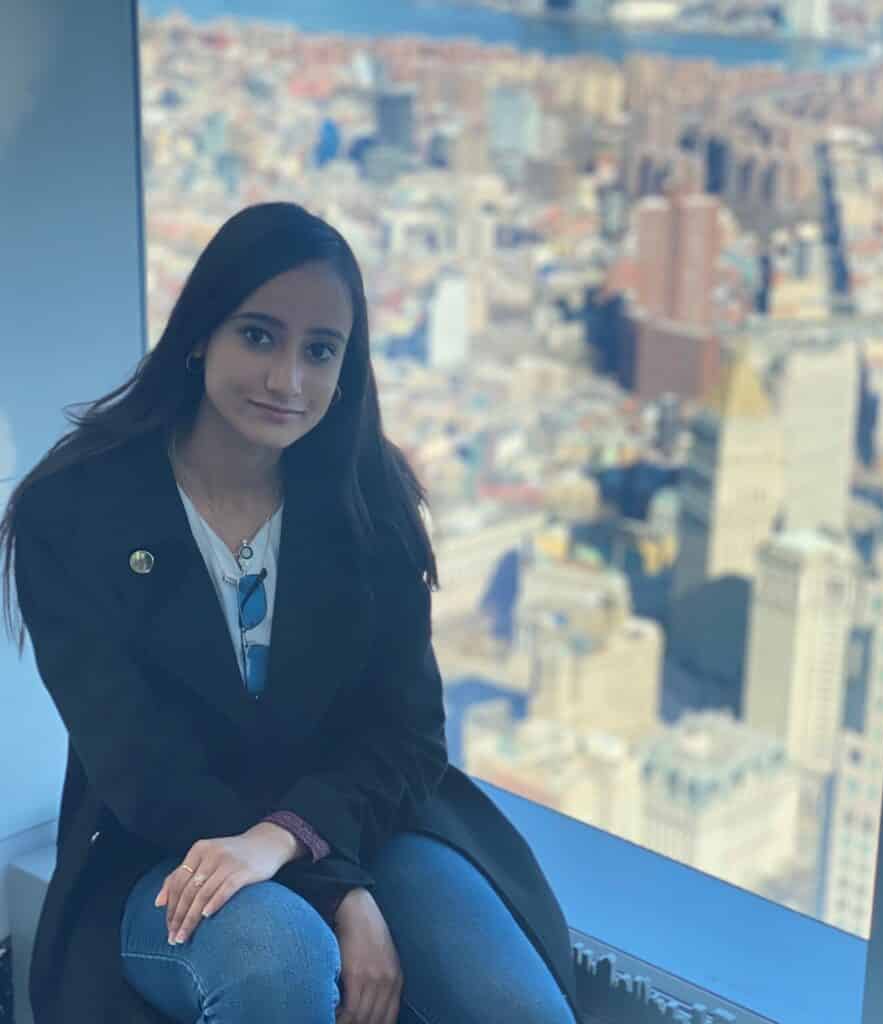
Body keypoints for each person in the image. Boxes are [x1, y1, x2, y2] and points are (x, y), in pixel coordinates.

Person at [0, 202, 581, 1024]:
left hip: (362, 825)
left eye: (320, 350)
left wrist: (295, 845)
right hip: (167, 850)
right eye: (258, 336)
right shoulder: (74, 511)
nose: (287, 381)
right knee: (280, 960)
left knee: (518, 1010)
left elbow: (407, 735)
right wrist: (337, 894)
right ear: (200, 333)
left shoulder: (368, 498)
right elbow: (141, 766)